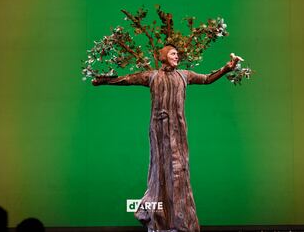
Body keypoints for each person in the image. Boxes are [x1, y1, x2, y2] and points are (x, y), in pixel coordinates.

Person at [93, 45, 242, 232]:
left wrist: (227, 68)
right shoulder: (153, 76)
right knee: (159, 173)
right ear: (162, 56)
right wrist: (104, 80)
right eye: (173, 53)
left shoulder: (184, 75)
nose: (176, 56)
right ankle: (155, 217)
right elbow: (127, 79)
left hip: (178, 132)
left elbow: (206, 79)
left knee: (179, 172)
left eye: (177, 54)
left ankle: (181, 222)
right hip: (159, 132)